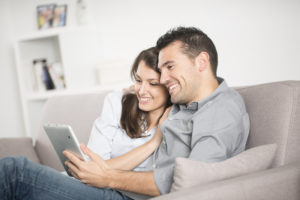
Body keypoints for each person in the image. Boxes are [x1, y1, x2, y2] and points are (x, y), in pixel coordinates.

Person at [0, 27, 250, 200]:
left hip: (125, 194)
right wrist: (141, 92)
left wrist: (109, 178)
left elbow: (193, 182)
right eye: (157, 74)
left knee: (16, 171)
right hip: (122, 191)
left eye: (169, 68)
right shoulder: (186, 102)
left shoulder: (220, 111)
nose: (163, 79)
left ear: (201, 62)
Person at [87, 47, 171, 172]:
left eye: (153, 83)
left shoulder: (174, 120)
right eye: (138, 80)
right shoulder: (117, 102)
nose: (141, 91)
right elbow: (93, 165)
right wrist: (152, 143)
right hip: (93, 184)